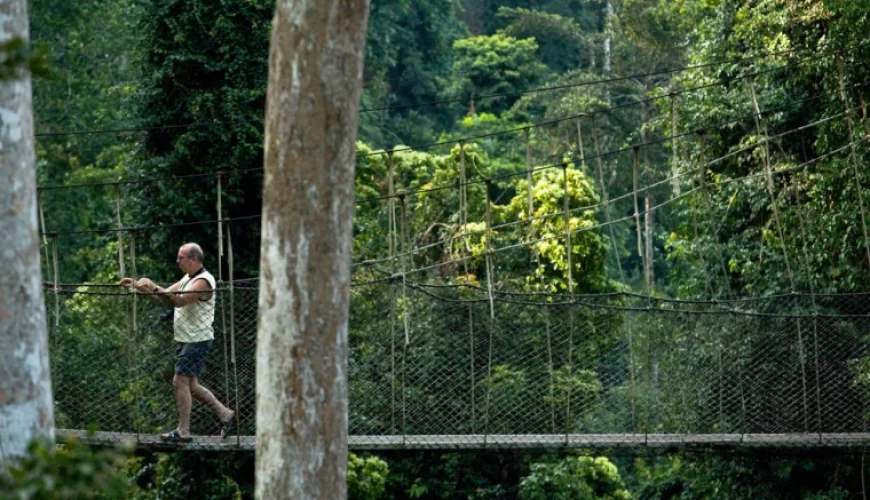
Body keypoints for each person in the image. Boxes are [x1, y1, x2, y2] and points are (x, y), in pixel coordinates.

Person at [120, 242, 235, 443]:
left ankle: (183, 431)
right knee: (191, 384)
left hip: (197, 340)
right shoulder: (188, 278)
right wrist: (139, 286)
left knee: (180, 381)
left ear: (193, 259)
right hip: (188, 339)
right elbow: (163, 296)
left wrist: (154, 286)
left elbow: (178, 301)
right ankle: (224, 413)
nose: (177, 261)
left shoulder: (203, 281)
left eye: (181, 257)